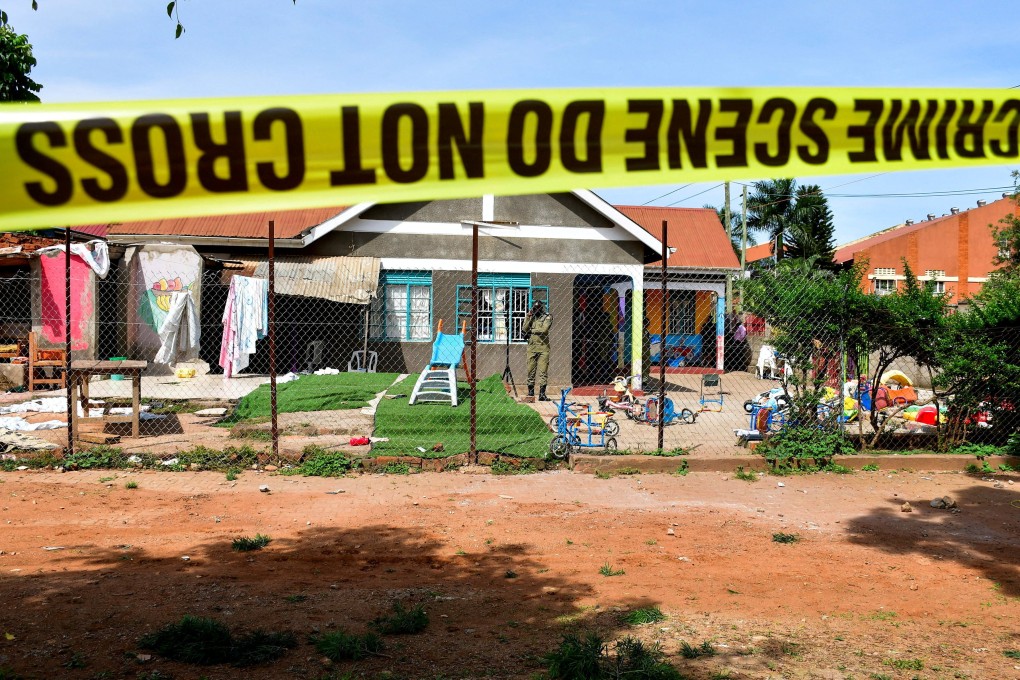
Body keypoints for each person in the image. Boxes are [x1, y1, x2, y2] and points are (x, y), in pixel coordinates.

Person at [523, 299, 552, 400]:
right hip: (532, 347)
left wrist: (531, 331)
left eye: (537, 308)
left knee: (543, 371)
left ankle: (542, 394)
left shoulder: (547, 317)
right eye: (534, 308)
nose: (536, 310)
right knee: (530, 370)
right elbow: (524, 329)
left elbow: (544, 330)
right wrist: (528, 318)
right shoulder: (531, 317)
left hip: (543, 348)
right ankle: (531, 392)